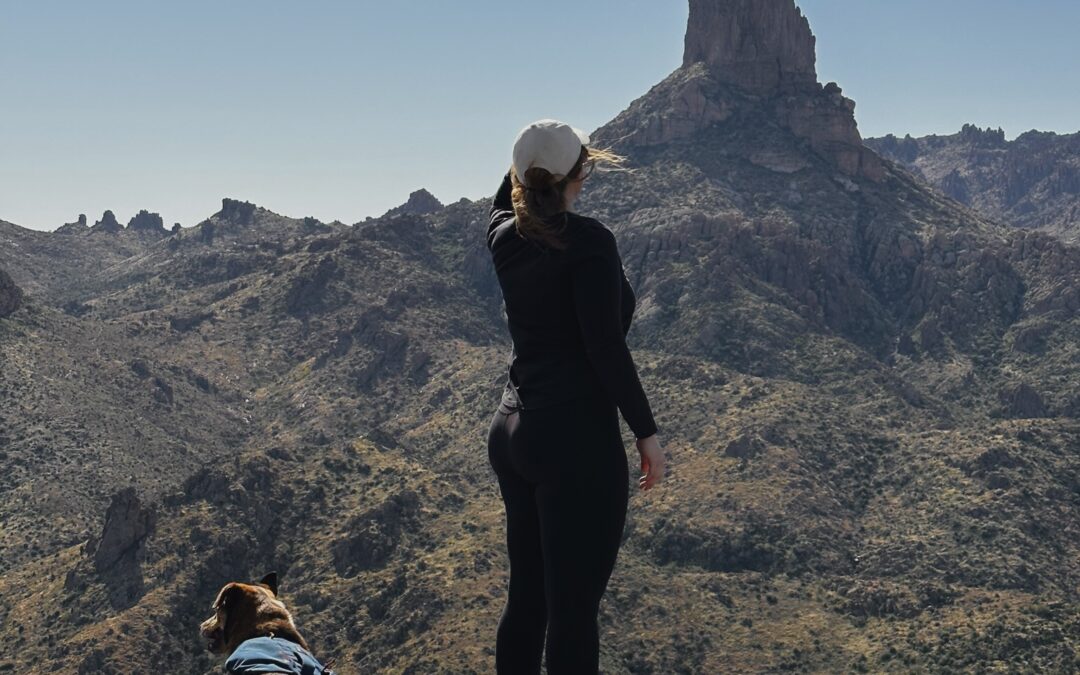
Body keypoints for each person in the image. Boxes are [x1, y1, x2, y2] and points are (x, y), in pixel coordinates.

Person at [486, 118, 666, 674]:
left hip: (514, 430)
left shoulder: (500, 234)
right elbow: (605, 347)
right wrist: (647, 434)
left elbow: (505, 194)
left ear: (520, 178)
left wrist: (528, 158)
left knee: (529, 600)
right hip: (575, 441)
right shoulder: (589, 243)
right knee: (572, 613)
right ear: (579, 173)